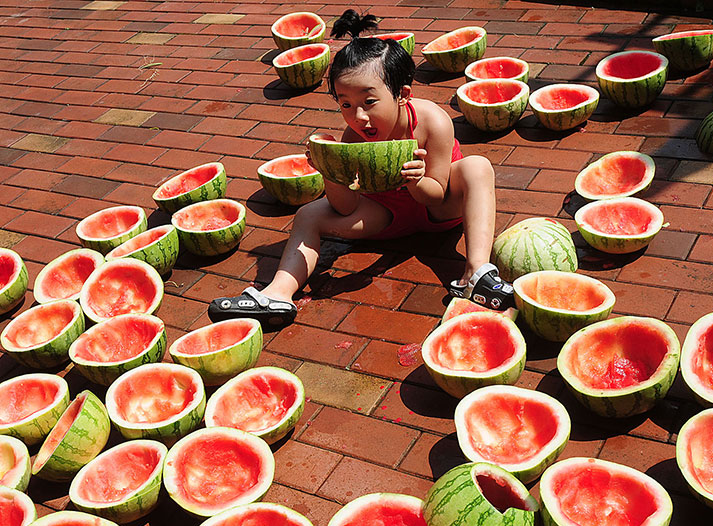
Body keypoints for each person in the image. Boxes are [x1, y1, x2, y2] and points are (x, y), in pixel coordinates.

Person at [209, 9, 513, 327]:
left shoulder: (432, 121)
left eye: (369, 102)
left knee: (477, 166)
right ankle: (278, 294)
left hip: (438, 211)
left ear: (401, 95)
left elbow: (436, 196)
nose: (359, 117)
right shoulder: (351, 137)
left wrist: (417, 180)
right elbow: (346, 207)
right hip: (385, 218)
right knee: (308, 214)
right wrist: (330, 171)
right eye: (345, 105)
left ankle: (474, 274)